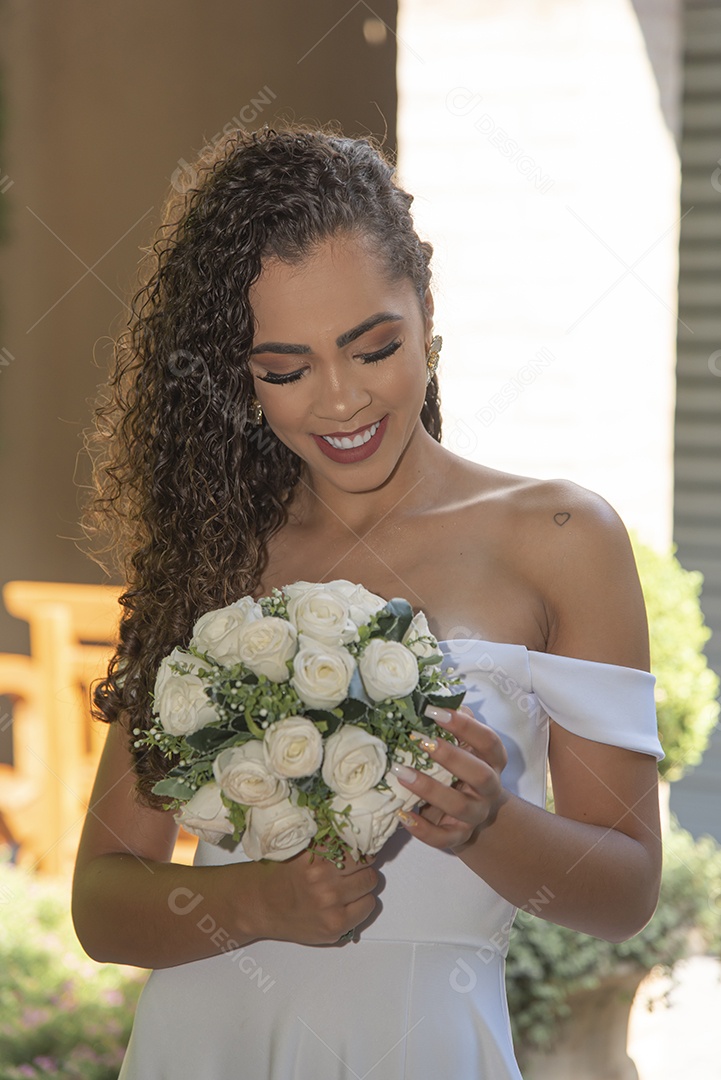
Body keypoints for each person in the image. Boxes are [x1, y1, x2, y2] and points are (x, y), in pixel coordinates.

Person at [71, 123, 664, 1079]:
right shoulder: (215, 552)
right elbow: (102, 902)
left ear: (426, 309)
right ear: (240, 372)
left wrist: (489, 826)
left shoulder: (561, 538)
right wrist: (258, 903)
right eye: (285, 369)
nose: (339, 401)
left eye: (373, 347)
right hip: (204, 1042)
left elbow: (626, 889)